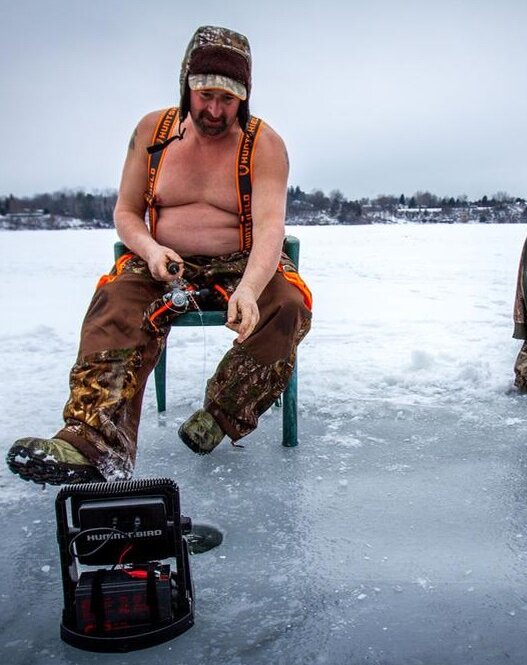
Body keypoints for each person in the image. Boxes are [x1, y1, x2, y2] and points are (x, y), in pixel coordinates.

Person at [7, 25, 312, 485]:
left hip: (240, 261)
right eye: (205, 95)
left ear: (244, 97)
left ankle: (221, 415)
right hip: (161, 259)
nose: (214, 110)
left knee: (288, 304)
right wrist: (149, 250)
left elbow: (272, 228)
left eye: (227, 100)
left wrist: (250, 288)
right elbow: (127, 212)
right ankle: (91, 442)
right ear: (186, 85)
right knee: (115, 302)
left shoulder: (264, 145)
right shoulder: (154, 131)